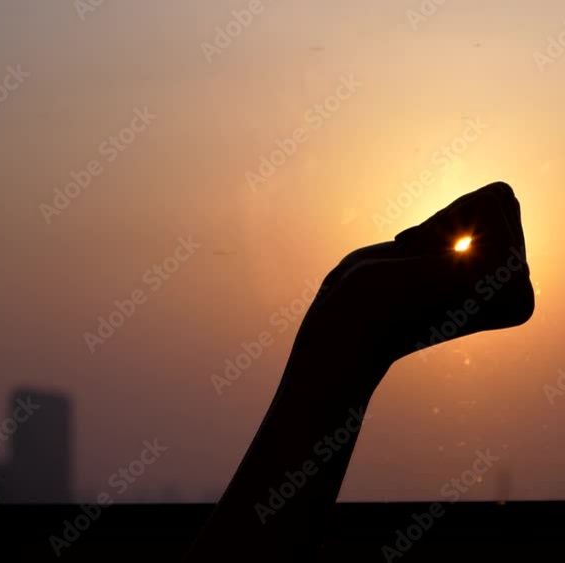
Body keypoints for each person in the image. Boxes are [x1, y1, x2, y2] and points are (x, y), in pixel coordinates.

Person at [187, 181, 534, 560]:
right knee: (346, 289)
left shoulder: (350, 299)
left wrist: (361, 299)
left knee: (344, 281)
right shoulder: (352, 303)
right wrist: (357, 313)